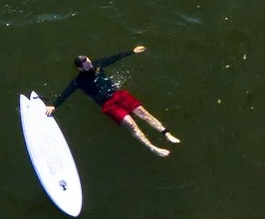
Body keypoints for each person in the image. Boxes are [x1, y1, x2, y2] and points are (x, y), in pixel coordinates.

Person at [46, 44, 179, 157]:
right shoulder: (79, 81)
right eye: (87, 66)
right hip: (108, 105)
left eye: (90, 63)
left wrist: (131, 52)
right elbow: (66, 93)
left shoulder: (97, 65)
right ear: (80, 68)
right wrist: (54, 106)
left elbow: (112, 59)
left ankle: (166, 133)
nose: (90, 66)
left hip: (118, 95)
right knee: (131, 124)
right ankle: (153, 148)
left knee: (143, 113)